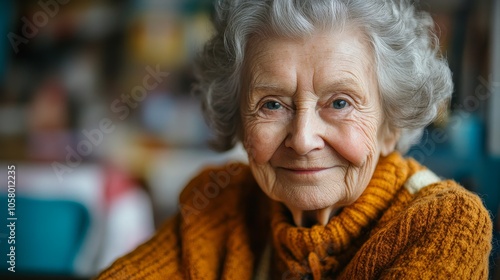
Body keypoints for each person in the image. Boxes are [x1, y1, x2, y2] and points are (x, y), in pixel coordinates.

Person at [97, 0, 492, 279]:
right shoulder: (221, 203)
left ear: (390, 125)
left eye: (339, 102)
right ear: (238, 120)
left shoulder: (445, 224)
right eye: (272, 104)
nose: (303, 140)